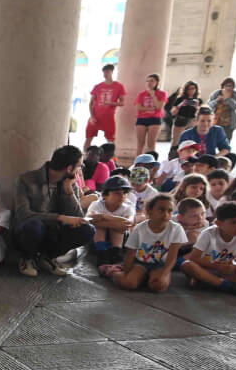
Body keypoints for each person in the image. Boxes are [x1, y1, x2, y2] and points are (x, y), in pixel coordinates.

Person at [13, 145, 95, 277]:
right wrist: (60, 217)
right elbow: (23, 214)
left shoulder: (70, 182)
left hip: (54, 232)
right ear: (69, 168)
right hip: (30, 230)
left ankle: (47, 257)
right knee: (33, 226)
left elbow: (78, 217)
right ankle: (27, 258)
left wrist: (68, 191)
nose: (80, 170)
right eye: (80, 166)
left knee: (87, 230)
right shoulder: (27, 179)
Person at [180, 201, 236, 297]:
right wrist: (217, 266)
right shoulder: (208, 233)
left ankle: (209, 282)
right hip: (206, 269)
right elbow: (194, 258)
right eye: (234, 222)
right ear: (219, 223)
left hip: (228, 272)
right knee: (187, 265)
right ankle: (228, 286)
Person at [112, 193, 184, 292]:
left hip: (160, 265)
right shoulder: (139, 229)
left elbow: (172, 257)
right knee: (130, 284)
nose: (166, 214)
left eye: (170, 211)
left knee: (158, 286)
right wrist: (126, 274)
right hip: (140, 263)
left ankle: (145, 278)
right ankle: (113, 271)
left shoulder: (176, 229)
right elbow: (130, 254)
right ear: (150, 210)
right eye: (161, 210)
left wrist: (164, 274)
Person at [84, 64, 125, 147]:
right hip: (96, 116)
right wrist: (92, 116)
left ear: (112, 72)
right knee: (88, 138)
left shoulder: (119, 86)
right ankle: (85, 154)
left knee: (110, 141)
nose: (105, 74)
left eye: (107, 72)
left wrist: (110, 103)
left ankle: (111, 155)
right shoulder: (97, 86)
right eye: (104, 72)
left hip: (108, 117)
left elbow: (122, 103)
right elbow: (91, 103)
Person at [133, 76, 166, 158]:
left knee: (151, 144)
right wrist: (151, 108)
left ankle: (150, 162)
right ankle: (137, 162)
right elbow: (139, 107)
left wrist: (153, 95)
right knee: (140, 144)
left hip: (155, 119)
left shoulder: (162, 94)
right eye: (147, 81)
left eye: (152, 81)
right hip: (141, 119)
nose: (149, 83)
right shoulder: (141, 94)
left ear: (157, 82)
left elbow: (159, 106)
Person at [208, 78, 236, 144]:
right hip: (215, 121)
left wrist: (228, 99)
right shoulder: (216, 93)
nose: (228, 87)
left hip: (229, 123)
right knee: (213, 141)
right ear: (223, 86)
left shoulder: (235, 94)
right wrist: (217, 100)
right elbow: (209, 105)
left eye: (230, 86)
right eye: (226, 85)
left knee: (226, 142)